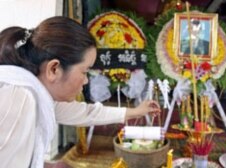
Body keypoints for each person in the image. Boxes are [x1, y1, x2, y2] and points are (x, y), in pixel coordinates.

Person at [0, 16, 160, 168]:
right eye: (84, 71)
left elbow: (86, 113)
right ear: (54, 69)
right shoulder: (18, 98)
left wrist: (135, 112)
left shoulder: (34, 94)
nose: (86, 81)